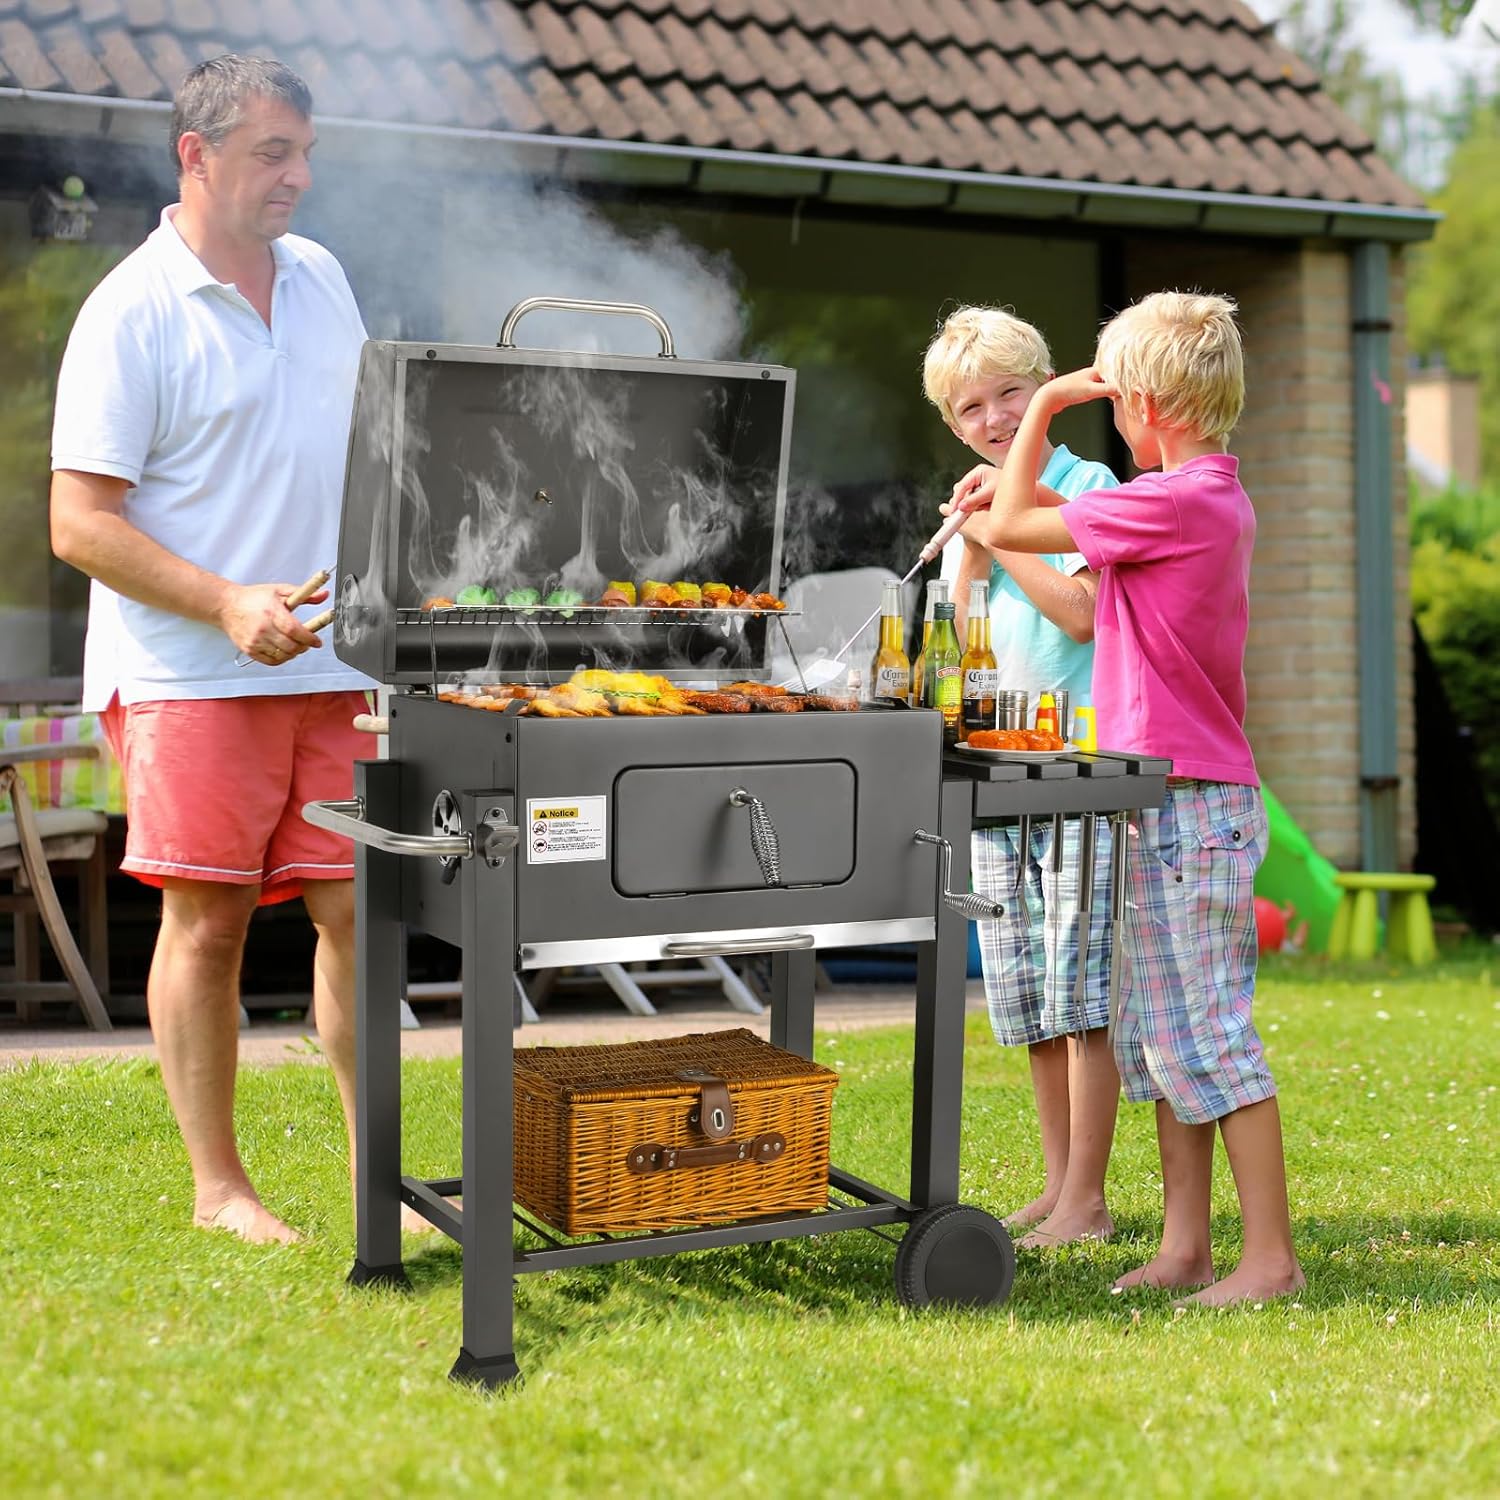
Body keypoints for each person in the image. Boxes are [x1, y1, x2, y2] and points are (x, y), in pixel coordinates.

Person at [50, 55, 375, 1245]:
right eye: (270, 154)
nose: (296, 177)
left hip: (340, 665)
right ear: (195, 155)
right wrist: (227, 602)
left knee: (360, 910)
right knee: (212, 923)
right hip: (192, 670)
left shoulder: (326, 277)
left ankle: (373, 1176)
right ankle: (220, 1190)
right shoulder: (128, 311)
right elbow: (77, 522)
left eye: (304, 153)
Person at [947, 291, 1304, 1304]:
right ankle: (1186, 1247)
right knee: (1161, 1037)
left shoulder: (1175, 499)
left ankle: (1269, 1261)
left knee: (1213, 1036)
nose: (1100, 411)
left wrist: (1049, 406)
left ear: (1145, 402)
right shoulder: (1192, 497)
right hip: (1159, 795)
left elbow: (1016, 520)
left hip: (1191, 802)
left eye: (1110, 393)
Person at [922, 306, 1122, 1247]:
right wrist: (968, 551)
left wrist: (1000, 534)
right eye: (973, 408)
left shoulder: (1088, 486)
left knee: (1084, 999)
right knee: (1031, 997)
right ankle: (1056, 1186)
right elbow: (957, 654)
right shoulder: (983, 502)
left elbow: (1081, 615)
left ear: (1043, 390)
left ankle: (1087, 1199)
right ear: (953, 424)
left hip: (1079, 770)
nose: (996, 419)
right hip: (1001, 770)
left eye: (1011, 395)